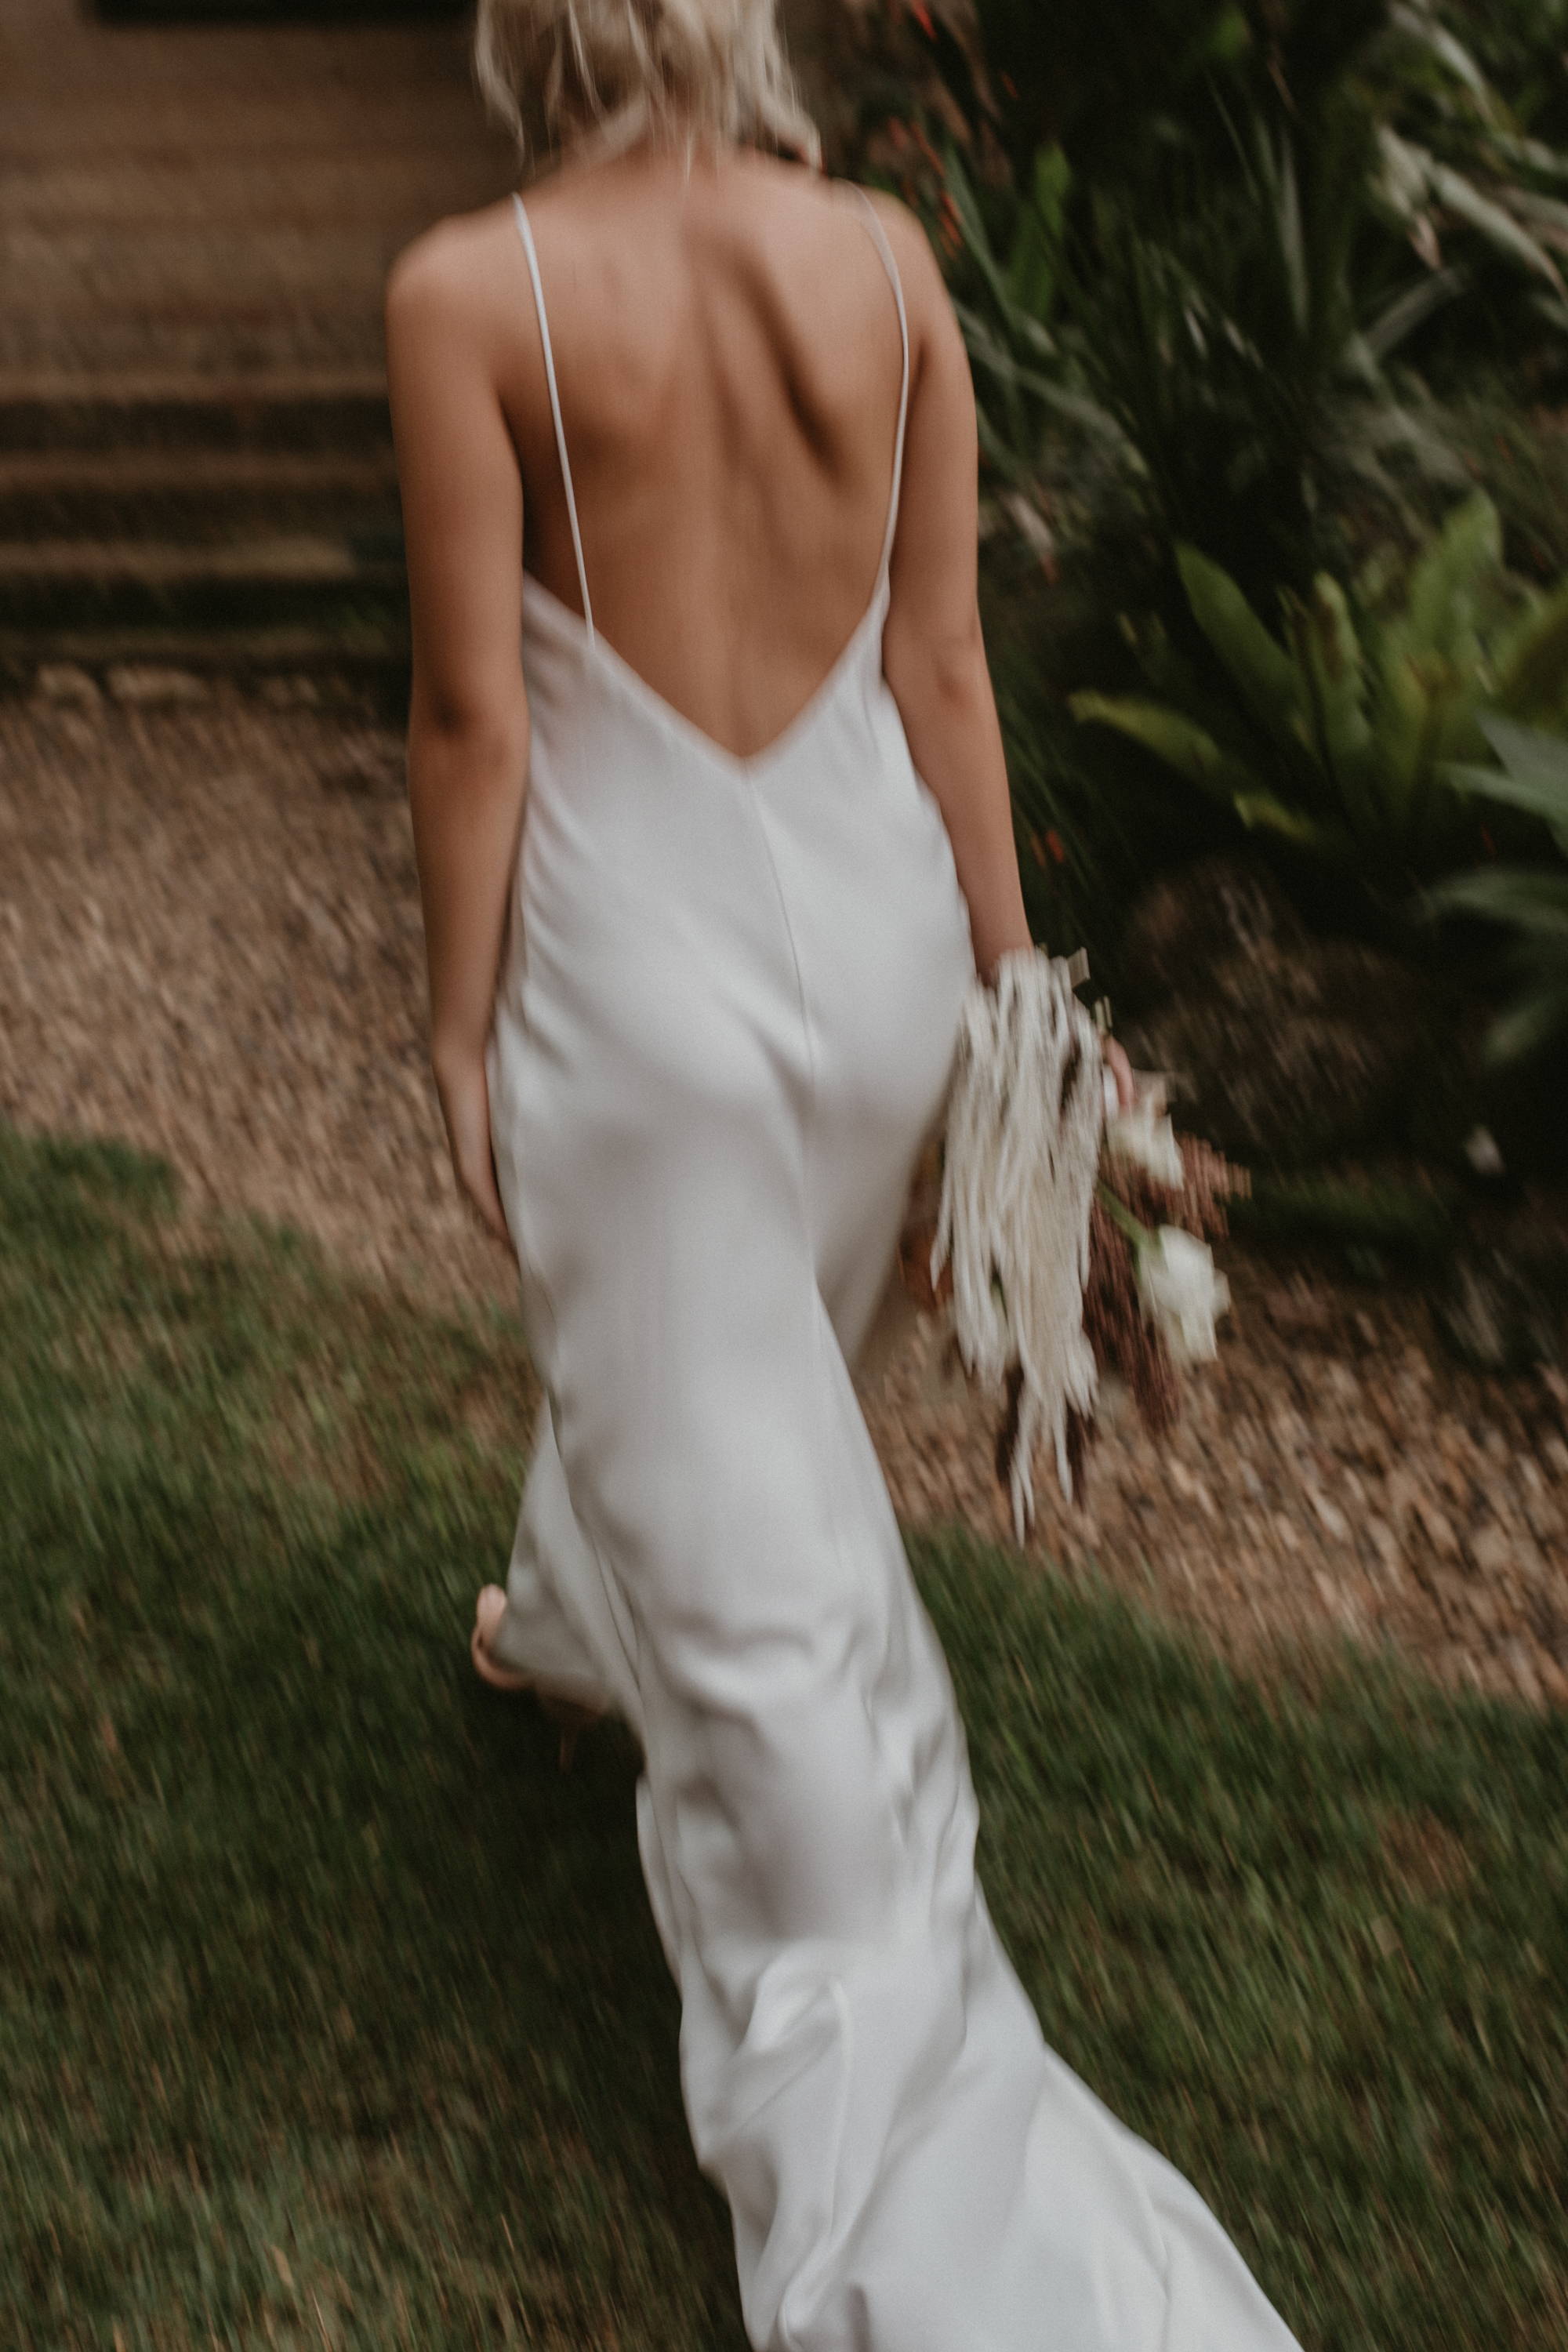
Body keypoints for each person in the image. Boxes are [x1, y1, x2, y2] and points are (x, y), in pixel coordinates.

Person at [383, 2, 1305, 2343]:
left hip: (649, 975)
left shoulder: (468, 289)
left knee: (775, 1592)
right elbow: (950, 665)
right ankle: (569, 1632)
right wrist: (1013, 1011)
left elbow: (479, 711)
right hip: (886, 936)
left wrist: (456, 1018)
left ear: (531, 31)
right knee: (747, 1397)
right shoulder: (885, 263)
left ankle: (910, 2149)